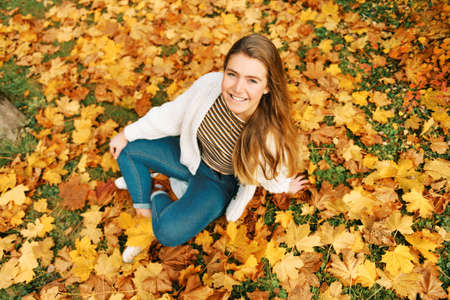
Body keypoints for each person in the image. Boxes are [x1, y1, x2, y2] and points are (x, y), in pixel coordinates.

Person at [109, 34, 309, 263]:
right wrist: (127, 133)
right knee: (127, 149)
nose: (238, 88)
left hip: (217, 181)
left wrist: (285, 186)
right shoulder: (209, 87)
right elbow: (173, 114)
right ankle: (143, 212)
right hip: (191, 155)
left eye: (252, 80)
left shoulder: (270, 135)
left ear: (267, 87)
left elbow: (272, 174)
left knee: (167, 231)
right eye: (232, 74)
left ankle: (156, 190)